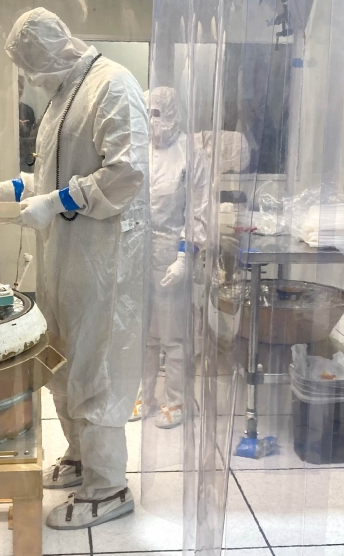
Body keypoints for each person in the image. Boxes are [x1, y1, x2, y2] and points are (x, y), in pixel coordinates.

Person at [0, 8, 150, 530]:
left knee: (97, 368)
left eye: (29, 67)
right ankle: (80, 457)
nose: (28, 78)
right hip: (67, 257)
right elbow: (55, 173)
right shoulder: (64, 95)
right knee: (63, 361)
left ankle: (109, 485)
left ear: (50, 53)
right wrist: (11, 189)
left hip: (105, 260)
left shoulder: (113, 85)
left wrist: (59, 201)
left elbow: (126, 171)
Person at [134, 86, 209, 429]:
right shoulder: (139, 152)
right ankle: (143, 396)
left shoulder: (190, 154)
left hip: (170, 252)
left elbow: (199, 213)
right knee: (142, 334)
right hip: (137, 251)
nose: (152, 123)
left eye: (158, 114)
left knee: (173, 337)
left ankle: (176, 402)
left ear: (173, 114)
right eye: (147, 114)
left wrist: (184, 256)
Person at [0, 74, 37, 173]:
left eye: (22, 87)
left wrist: (38, 130)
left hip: (25, 159)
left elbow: (32, 142)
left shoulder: (28, 110)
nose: (19, 90)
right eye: (16, 86)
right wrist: (12, 126)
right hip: (3, 159)